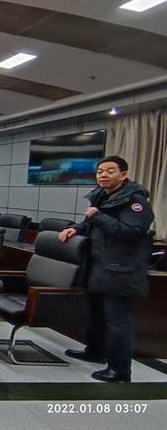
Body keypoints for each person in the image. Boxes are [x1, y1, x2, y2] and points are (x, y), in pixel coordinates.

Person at [59, 156, 154, 383]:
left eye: (110, 171)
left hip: (122, 270)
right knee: (97, 316)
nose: (103, 175)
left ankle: (120, 370)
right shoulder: (102, 197)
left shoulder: (135, 201)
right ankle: (95, 351)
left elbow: (132, 232)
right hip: (100, 267)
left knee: (117, 321)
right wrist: (76, 228)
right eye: (100, 171)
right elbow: (91, 224)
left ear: (123, 174)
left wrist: (98, 216)